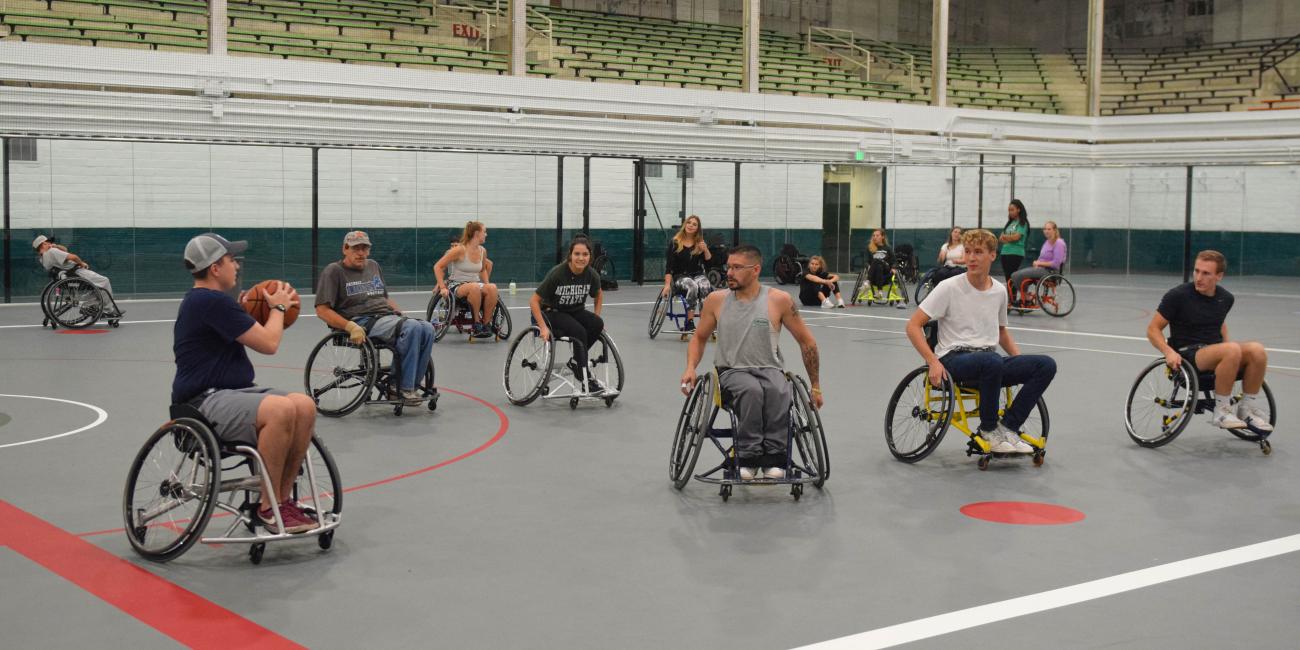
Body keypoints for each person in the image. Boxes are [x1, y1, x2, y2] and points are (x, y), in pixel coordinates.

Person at [172, 233, 319, 534]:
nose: (237, 266)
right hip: (202, 402)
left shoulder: (211, 302)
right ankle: (267, 508)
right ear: (215, 268)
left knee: (304, 405)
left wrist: (243, 310)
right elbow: (269, 343)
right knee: (279, 409)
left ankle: (282, 499)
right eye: (231, 260)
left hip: (234, 394)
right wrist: (277, 308)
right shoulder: (209, 301)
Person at [904, 229, 1057, 454]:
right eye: (967, 252)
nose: (971, 258)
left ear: (992, 255)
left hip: (989, 362)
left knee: (1045, 365)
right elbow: (913, 325)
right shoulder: (948, 287)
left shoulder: (999, 291)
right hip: (954, 360)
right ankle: (988, 430)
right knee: (991, 360)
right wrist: (933, 361)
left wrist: (1019, 360)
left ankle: (1008, 428)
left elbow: (1001, 332)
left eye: (978, 252)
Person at [681, 244, 823, 481]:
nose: (729, 273)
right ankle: (747, 457)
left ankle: (775, 458)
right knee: (752, 391)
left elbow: (807, 343)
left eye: (737, 268)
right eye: (729, 267)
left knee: (779, 390)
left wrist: (815, 386)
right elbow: (699, 337)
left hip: (770, 368)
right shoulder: (716, 300)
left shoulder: (779, 300)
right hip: (731, 371)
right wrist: (690, 368)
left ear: (755, 269)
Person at [1145, 250, 1271, 432]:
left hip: (1215, 352)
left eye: (1206, 273)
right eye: (1196, 271)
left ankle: (1246, 409)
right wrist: (1168, 351)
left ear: (1219, 276)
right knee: (1231, 350)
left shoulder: (1226, 298)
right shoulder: (1177, 295)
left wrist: (1231, 350)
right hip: (1188, 355)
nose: (1198, 277)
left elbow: (1219, 323)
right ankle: (1221, 411)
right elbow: (1152, 329)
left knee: (1257, 350)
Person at [315, 231, 436, 406]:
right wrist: (349, 326)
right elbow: (322, 310)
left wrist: (400, 314)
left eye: (365, 248)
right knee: (412, 328)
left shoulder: (373, 266)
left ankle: (410, 386)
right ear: (345, 249)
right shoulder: (334, 271)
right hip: (360, 321)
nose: (361, 253)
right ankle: (398, 387)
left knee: (427, 328)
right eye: (356, 248)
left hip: (385, 316)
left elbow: (383, 298)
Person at [532, 237, 611, 395]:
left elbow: (598, 294)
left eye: (585, 254)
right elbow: (534, 301)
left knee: (597, 324)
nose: (581, 258)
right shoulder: (558, 273)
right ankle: (585, 377)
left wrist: (596, 316)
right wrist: (542, 327)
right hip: (549, 312)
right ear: (570, 255)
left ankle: (576, 361)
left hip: (574, 310)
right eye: (577, 254)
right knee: (579, 332)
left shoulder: (591, 274)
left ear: (590, 256)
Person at [432, 220, 500, 337]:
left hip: (475, 284)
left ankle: (486, 324)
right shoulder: (459, 250)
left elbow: (482, 269)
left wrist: (487, 286)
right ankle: (476, 324)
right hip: (457, 285)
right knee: (474, 287)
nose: (486, 234)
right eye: (485, 232)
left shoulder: (483, 251)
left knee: (492, 288)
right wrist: (442, 287)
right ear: (477, 233)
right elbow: (438, 266)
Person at [32, 234, 123, 318]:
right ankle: (107, 310)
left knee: (98, 287)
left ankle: (92, 306)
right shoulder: (52, 251)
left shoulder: (43, 258)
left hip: (66, 278)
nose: (51, 243)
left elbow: (64, 250)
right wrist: (81, 263)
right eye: (49, 242)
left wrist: (55, 246)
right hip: (76, 273)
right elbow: (73, 257)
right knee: (104, 281)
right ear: (44, 243)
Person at [661, 215, 713, 331]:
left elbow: (709, 264)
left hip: (697, 274)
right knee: (692, 286)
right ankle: (689, 322)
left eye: (694, 224)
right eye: (689, 223)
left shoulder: (700, 243)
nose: (691, 225)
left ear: (697, 229)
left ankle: (705, 322)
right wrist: (667, 285)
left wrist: (705, 250)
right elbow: (669, 267)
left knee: (705, 285)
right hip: (681, 277)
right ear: (685, 225)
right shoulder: (675, 243)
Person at [1009, 220, 1066, 305]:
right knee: (1015, 276)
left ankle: (1026, 298)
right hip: (1041, 269)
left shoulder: (1059, 243)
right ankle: (1025, 297)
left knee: (1016, 275)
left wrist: (1039, 263)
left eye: (1049, 229)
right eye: (1045, 229)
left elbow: (1056, 263)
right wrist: (1038, 262)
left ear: (1054, 230)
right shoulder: (1047, 242)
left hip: (1050, 272)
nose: (1046, 231)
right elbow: (1042, 258)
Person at [998, 199, 1030, 281]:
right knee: (1007, 277)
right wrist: (1010, 237)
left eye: (1012, 210)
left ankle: (1013, 294)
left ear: (1019, 210)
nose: (1010, 212)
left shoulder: (1022, 223)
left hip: (1015, 252)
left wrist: (1007, 237)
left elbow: (1016, 237)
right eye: (1009, 210)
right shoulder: (1009, 223)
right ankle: (1010, 294)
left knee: (1012, 276)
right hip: (1005, 252)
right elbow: (1001, 238)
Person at [867, 229, 895, 300]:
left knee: (877, 260)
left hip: (886, 274)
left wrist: (894, 267)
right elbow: (866, 262)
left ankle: (867, 281)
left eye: (877, 235)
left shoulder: (888, 248)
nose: (875, 237)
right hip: (874, 275)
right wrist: (868, 266)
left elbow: (894, 261)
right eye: (873, 236)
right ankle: (880, 292)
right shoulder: (870, 248)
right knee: (878, 266)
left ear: (882, 237)